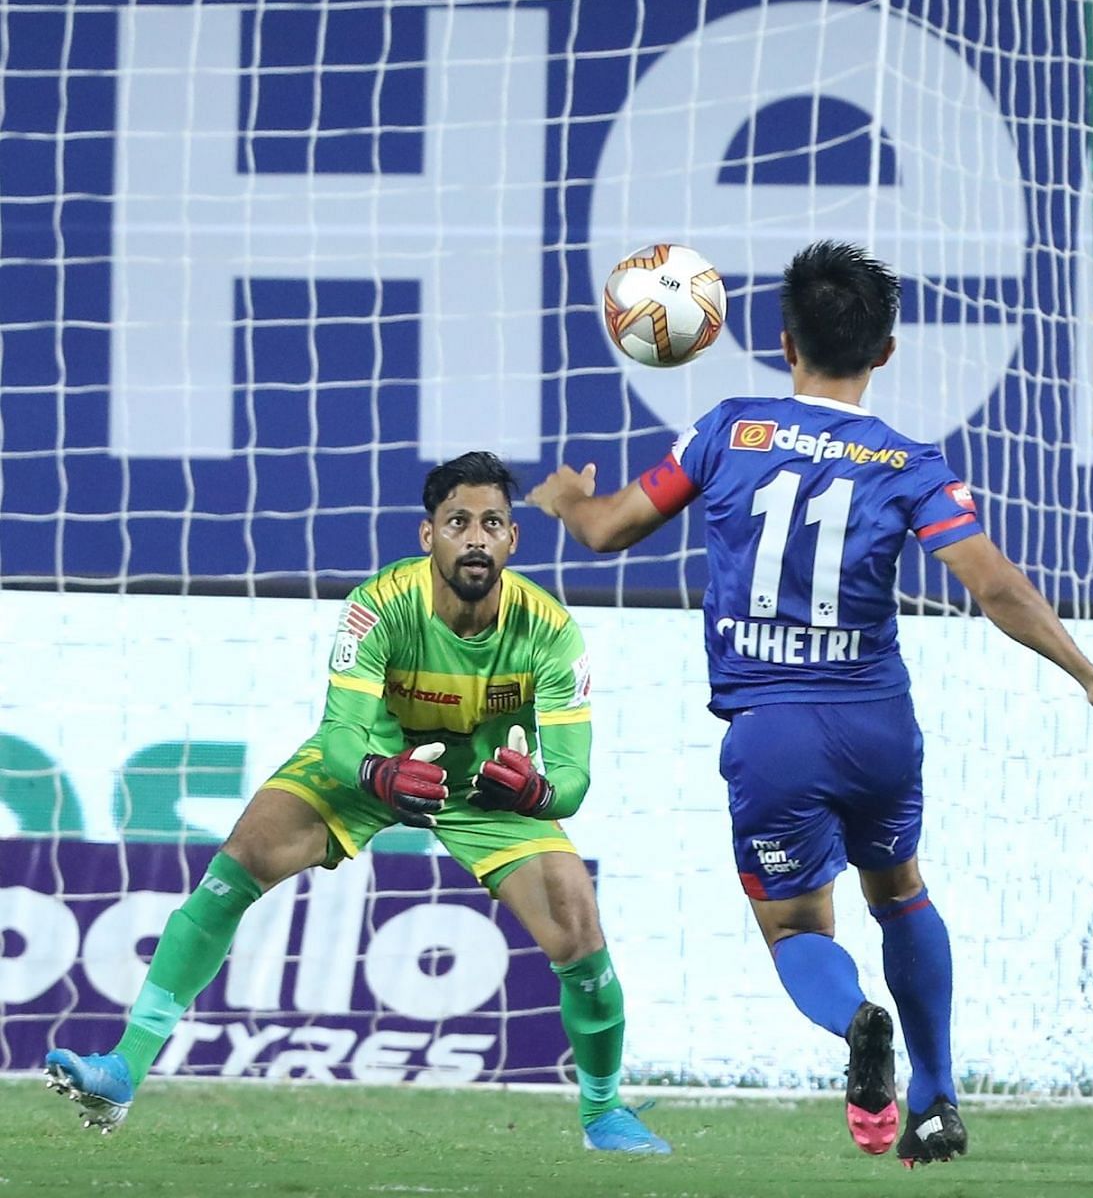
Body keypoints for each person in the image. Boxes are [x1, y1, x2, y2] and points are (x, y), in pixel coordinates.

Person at [532, 239, 1093, 1166]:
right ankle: (934, 1093)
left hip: (773, 733)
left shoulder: (729, 430)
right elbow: (998, 586)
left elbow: (611, 528)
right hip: (876, 726)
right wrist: (1090, 674)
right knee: (900, 891)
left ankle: (858, 1020)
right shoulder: (910, 463)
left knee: (796, 926)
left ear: (784, 342)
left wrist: (571, 501)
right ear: (885, 352)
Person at [46, 452, 669, 1155]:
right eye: (457, 521)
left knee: (577, 926)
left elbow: (576, 779)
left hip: (485, 788)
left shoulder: (550, 629)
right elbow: (340, 732)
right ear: (427, 534)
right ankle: (123, 1069)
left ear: (512, 540)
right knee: (240, 861)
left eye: (492, 523)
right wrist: (377, 773)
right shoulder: (379, 605)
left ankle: (604, 1112)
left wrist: (537, 790)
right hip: (374, 762)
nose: (475, 537)